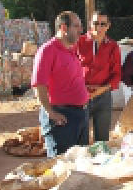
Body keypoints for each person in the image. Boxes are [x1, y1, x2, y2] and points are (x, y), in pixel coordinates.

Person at [32, 11, 89, 157]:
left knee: (79, 162)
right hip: (61, 117)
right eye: (76, 26)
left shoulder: (71, 51)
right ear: (63, 28)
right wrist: (50, 113)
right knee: (61, 165)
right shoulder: (47, 51)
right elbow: (39, 85)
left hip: (79, 115)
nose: (80, 31)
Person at [74, 10, 121, 143]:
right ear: (90, 24)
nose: (99, 27)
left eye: (103, 24)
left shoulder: (113, 46)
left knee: (102, 140)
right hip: (81, 95)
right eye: (95, 23)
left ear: (108, 26)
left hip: (103, 96)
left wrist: (102, 90)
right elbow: (70, 69)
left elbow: (116, 74)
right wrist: (82, 89)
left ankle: (101, 163)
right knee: (80, 138)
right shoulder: (79, 42)